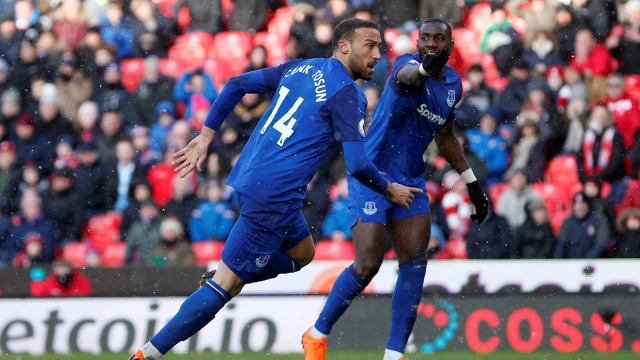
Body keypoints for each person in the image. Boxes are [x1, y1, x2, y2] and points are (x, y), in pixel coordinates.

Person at [128, 18, 420, 360]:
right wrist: (390, 191)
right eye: (369, 45)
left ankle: (230, 271)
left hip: (253, 178)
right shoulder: (348, 94)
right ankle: (148, 353)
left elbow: (237, 83)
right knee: (227, 285)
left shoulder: (302, 68)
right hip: (276, 195)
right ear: (344, 46)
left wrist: (206, 136)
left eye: (380, 47)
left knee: (303, 254)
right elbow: (356, 164)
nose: (377, 54)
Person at [302, 19, 490, 360]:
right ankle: (316, 335)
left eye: (439, 39)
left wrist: (471, 182)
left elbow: (444, 135)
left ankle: (394, 354)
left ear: (450, 46)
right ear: (418, 43)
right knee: (368, 262)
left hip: (412, 179)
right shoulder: (406, 64)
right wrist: (423, 69)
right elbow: (410, 77)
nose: (432, 44)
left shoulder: (453, 85)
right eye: (426, 38)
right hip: (371, 174)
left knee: (415, 261)